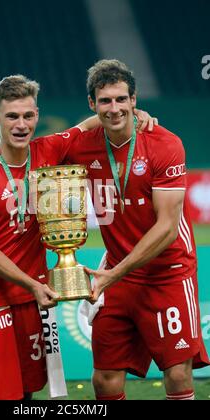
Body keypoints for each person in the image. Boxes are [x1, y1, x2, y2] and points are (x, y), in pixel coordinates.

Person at [0, 74, 157, 400]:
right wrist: (32, 285)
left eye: (28, 115)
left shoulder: (49, 150)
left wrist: (134, 115)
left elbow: (90, 124)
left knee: (23, 388)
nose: (21, 124)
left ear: (37, 116)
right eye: (12, 116)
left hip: (31, 294)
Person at [71, 59, 209, 400]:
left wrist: (114, 273)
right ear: (92, 104)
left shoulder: (165, 144)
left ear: (135, 100)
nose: (114, 108)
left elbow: (167, 228)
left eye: (121, 99)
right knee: (104, 378)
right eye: (105, 101)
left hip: (168, 272)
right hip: (117, 273)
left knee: (178, 373)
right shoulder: (82, 145)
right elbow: (40, 150)